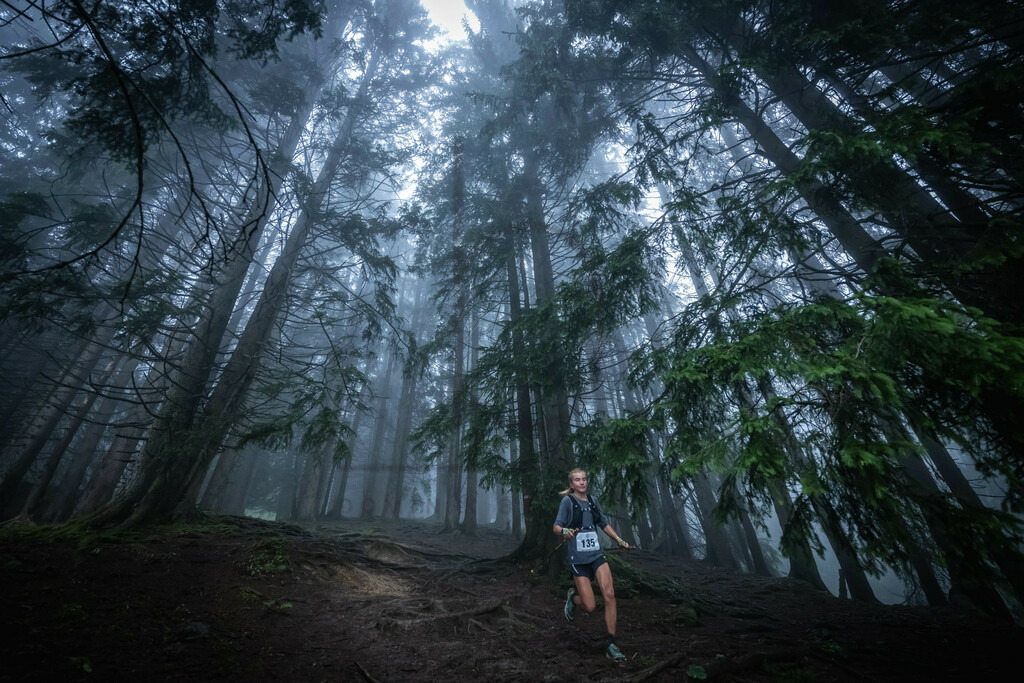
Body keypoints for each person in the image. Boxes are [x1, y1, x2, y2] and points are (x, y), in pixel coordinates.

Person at [552, 467, 631, 662]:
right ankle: (573, 599)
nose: (582, 482)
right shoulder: (567, 501)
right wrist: (563, 532)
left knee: (610, 594)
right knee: (589, 606)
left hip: (596, 555)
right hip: (578, 559)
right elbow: (557, 526)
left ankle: (611, 643)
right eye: (577, 480)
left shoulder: (593, 501)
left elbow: (603, 523)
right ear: (571, 484)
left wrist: (619, 540)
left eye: (584, 479)